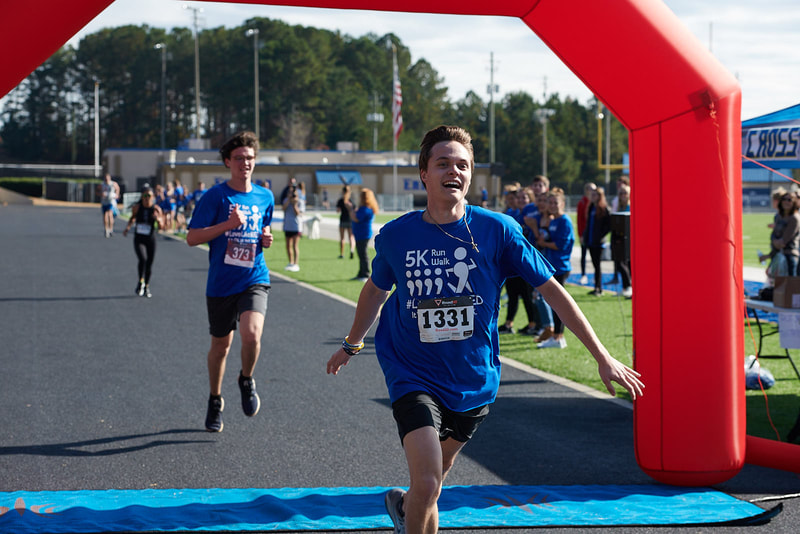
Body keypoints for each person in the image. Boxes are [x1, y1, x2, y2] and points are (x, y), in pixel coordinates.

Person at [326, 125, 644, 534]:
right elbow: (375, 291)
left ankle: (406, 507)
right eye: (443, 163)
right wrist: (352, 344)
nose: (453, 171)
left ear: (471, 174)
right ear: (424, 172)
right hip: (411, 371)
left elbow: (553, 291)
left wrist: (602, 356)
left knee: (432, 483)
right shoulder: (397, 236)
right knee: (426, 479)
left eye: (462, 164)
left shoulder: (499, 230)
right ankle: (413, 509)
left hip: (473, 378)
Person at [187, 131, 275, 433]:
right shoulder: (215, 197)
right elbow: (192, 237)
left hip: (254, 277)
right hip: (221, 283)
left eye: (250, 158)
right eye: (239, 158)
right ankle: (215, 399)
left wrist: (266, 239)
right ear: (228, 162)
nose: (245, 163)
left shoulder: (265, 196)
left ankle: (246, 378)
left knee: (251, 335)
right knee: (220, 347)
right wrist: (227, 225)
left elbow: (262, 234)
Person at [536, 189, 575, 349]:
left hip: (560, 266)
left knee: (558, 303)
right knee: (552, 302)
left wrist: (544, 243)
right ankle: (556, 336)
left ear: (563, 204)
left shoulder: (564, 221)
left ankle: (558, 336)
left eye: (555, 203)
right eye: (550, 203)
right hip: (552, 265)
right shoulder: (553, 220)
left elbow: (560, 245)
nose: (552, 206)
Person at [122, 185, 164, 298]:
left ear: (153, 197)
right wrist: (128, 227)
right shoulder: (137, 207)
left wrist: (158, 220)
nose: (146, 198)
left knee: (149, 264)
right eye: (144, 195)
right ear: (142, 196)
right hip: (139, 238)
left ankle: (147, 286)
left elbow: (161, 227)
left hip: (150, 239)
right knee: (143, 259)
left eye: (149, 196)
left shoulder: (156, 209)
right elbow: (132, 217)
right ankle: (140, 281)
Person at [759, 191, 800, 277]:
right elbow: (774, 235)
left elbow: (784, 240)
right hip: (778, 254)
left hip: (790, 256)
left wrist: (776, 242)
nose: (786, 202)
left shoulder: (794, 218)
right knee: (776, 285)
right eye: (784, 199)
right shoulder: (778, 216)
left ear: (794, 202)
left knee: (790, 286)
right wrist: (770, 253)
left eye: (789, 200)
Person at [585, 187, 611, 296]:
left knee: (598, 266)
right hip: (591, 241)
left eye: (595, 195)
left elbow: (609, 225)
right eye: (592, 194)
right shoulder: (591, 207)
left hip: (598, 243)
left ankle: (599, 288)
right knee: (594, 265)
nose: (593, 196)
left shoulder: (604, 209)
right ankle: (596, 287)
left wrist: (600, 236)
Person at [349, 188, 378, 282]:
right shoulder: (365, 208)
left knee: (363, 254)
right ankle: (361, 272)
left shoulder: (366, 209)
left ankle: (365, 273)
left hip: (363, 234)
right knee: (361, 254)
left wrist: (350, 210)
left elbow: (356, 218)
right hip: (361, 234)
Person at [612, 184, 632, 298]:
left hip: (629, 239)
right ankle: (625, 287)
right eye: (621, 193)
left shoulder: (630, 207)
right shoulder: (618, 207)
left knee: (627, 264)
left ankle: (629, 286)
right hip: (619, 239)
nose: (623, 195)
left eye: (625, 193)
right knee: (619, 263)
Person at [282, 184, 305, 272]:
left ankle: (296, 263)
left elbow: (298, 213)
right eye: (290, 192)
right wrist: (288, 200)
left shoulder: (300, 202)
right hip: (288, 225)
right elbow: (283, 209)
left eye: (293, 193)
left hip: (296, 226)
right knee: (288, 246)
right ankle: (290, 262)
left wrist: (294, 204)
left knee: (295, 245)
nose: (291, 194)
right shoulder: (286, 200)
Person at [577, 182, 596, 285]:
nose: (591, 191)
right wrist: (580, 235)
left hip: (593, 234)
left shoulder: (596, 202)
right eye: (589, 188)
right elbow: (579, 220)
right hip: (585, 234)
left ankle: (595, 276)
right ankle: (583, 275)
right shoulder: (582, 203)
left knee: (594, 257)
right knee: (583, 255)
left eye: (593, 189)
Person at [336, 185, 356, 259]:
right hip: (350, 220)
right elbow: (354, 209)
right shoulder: (351, 201)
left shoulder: (341, 201)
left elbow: (338, 210)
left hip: (343, 220)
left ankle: (342, 253)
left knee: (342, 238)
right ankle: (352, 250)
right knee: (351, 237)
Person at [98, 173, 120, 238]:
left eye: (108, 179)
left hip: (111, 202)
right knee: (105, 215)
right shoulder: (102, 185)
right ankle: (106, 229)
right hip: (104, 202)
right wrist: (101, 194)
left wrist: (116, 195)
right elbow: (97, 191)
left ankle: (111, 229)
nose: (106, 180)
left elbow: (118, 188)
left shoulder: (113, 184)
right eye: (105, 179)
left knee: (110, 214)